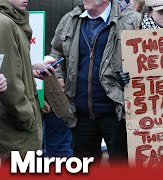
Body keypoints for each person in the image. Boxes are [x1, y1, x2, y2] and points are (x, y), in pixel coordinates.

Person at [50, 0, 139, 165]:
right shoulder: (71, 19)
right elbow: (56, 50)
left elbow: (145, 57)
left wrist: (131, 76)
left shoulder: (131, 20)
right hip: (81, 114)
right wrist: (58, 75)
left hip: (117, 113)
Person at [0, 0, 56, 162]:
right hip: (14, 128)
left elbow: (10, 67)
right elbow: (8, 80)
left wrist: (30, 70)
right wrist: (27, 116)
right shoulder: (4, 24)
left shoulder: (10, 21)